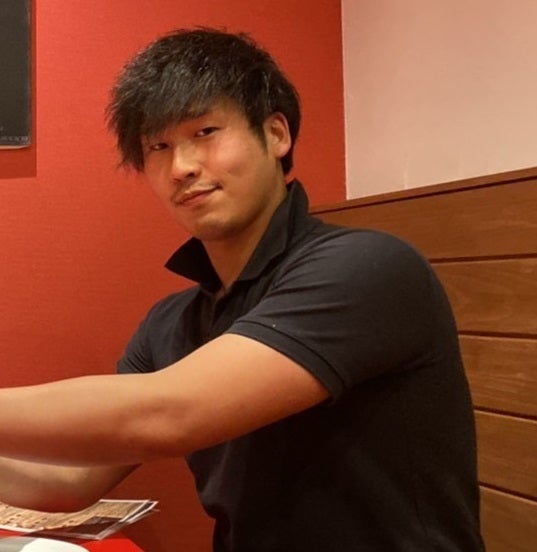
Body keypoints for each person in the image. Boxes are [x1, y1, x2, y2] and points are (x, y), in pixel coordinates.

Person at [0, 28, 485, 551]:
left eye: (205, 132)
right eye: (158, 147)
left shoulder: (368, 268)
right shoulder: (171, 324)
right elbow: (71, 480)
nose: (182, 167)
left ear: (276, 134)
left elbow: (170, 414)